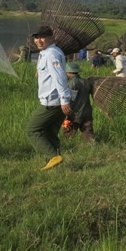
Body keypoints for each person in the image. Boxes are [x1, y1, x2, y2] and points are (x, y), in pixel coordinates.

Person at [26, 25, 72, 171]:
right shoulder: (47, 52)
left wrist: (64, 100)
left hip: (52, 101)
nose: (39, 40)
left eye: (43, 37)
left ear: (52, 38)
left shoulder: (52, 54)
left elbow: (60, 78)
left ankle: (53, 156)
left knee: (32, 130)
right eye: (36, 37)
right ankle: (56, 165)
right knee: (50, 133)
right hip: (56, 100)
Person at [63, 62, 95, 143]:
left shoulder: (71, 83)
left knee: (69, 131)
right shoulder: (86, 82)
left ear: (69, 72)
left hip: (75, 112)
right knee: (88, 132)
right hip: (87, 111)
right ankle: (92, 147)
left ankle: (67, 146)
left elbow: (71, 98)